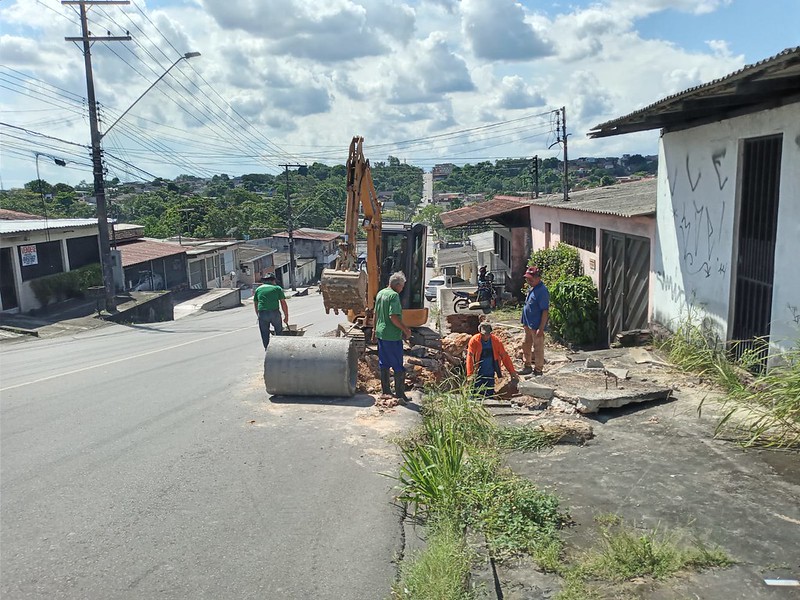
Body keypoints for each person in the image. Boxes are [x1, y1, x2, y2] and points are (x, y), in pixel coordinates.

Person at [374, 271, 412, 402]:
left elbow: (376, 314)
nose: (402, 289)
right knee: (397, 365)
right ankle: (400, 394)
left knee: (384, 363)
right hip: (392, 335)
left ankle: (386, 391)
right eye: (402, 286)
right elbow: (393, 317)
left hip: (381, 333)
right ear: (397, 285)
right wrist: (405, 330)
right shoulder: (394, 296)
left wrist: (374, 330)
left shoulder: (381, 293)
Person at [466, 322, 518, 397]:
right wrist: (470, 374)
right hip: (477, 374)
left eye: (488, 334)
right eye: (484, 334)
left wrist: (512, 371)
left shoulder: (496, 341)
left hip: (490, 373)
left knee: (489, 394)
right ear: (480, 333)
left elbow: (505, 356)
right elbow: (469, 358)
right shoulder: (474, 341)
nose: (486, 336)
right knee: (474, 394)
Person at [520, 266, 549, 376]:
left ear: (538, 278)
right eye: (527, 279)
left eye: (531, 279)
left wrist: (541, 329)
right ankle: (527, 366)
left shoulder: (542, 291)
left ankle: (538, 370)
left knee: (538, 349)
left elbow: (545, 311)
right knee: (525, 344)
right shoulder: (532, 288)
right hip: (528, 323)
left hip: (536, 326)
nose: (528, 281)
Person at [254, 273, 289, 350]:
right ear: (273, 281)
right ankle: (279, 349)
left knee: (264, 333)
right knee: (279, 331)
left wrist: (258, 315)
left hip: (262, 313)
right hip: (274, 313)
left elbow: (256, 303)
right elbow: (283, 303)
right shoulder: (277, 288)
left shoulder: (258, 289)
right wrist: (286, 316)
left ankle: (267, 350)